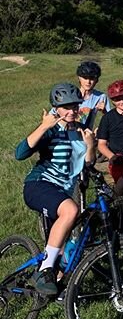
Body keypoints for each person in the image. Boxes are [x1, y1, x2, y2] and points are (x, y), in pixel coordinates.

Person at [15, 83, 95, 296]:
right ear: (56, 108)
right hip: (39, 186)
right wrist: (43, 127)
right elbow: (20, 153)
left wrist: (91, 145)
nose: (71, 111)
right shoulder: (51, 130)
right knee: (70, 211)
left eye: (75, 107)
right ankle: (44, 271)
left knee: (61, 249)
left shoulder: (81, 130)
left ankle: (53, 289)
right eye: (66, 107)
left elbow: (87, 164)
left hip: (61, 194)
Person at [75, 60, 110, 130]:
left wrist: (104, 111)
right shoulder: (71, 94)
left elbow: (111, 119)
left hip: (85, 134)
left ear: (97, 80)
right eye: (85, 78)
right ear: (79, 78)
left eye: (91, 78)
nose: (88, 82)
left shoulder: (101, 97)